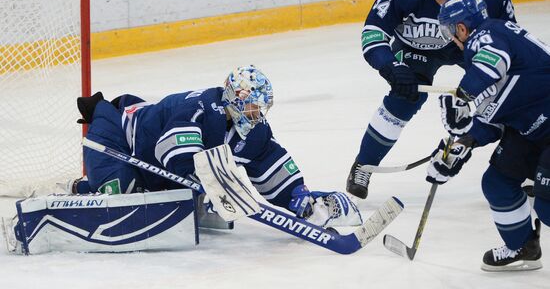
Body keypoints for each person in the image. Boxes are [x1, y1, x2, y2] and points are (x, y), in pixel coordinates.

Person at [73, 65, 361, 228]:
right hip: (115, 136)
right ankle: (84, 192)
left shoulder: (252, 129)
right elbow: (171, 152)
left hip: (152, 165)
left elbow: (268, 161)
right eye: (252, 107)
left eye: (261, 108)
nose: (257, 115)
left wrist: (297, 195)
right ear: (235, 98)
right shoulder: (199, 107)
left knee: (166, 199)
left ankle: (91, 187)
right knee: (122, 194)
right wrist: (209, 184)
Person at [346, 0, 517, 199]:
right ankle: (364, 165)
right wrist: (390, 67)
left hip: (466, 44)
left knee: (506, 95)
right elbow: (372, 33)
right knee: (404, 99)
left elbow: (508, 40)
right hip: (418, 50)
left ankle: (522, 167)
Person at [426, 0, 550, 271]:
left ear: (461, 27)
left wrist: (463, 97)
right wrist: (463, 143)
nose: (450, 39)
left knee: (547, 207)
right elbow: (493, 116)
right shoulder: (481, 50)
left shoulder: (489, 34)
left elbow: (493, 64)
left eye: (449, 31)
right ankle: (523, 246)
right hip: (531, 128)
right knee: (497, 181)